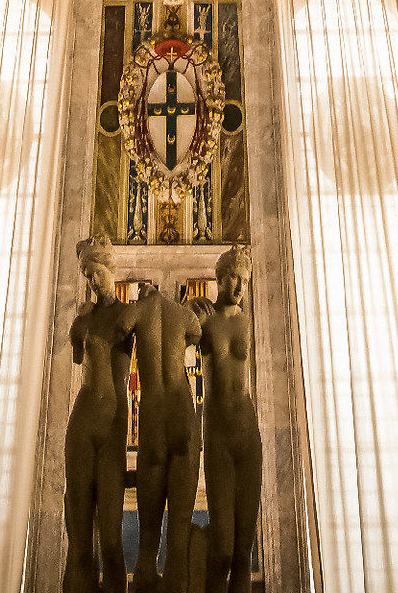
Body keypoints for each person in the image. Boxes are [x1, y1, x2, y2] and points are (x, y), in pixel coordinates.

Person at [64, 240, 133, 593]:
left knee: (110, 541)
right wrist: (80, 320)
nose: (92, 281)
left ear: (111, 270)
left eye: (97, 273)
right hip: (83, 421)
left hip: (112, 426)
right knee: (78, 539)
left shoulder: (129, 315)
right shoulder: (83, 321)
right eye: (87, 276)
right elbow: (77, 358)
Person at [193, 248, 260, 593]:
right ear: (220, 278)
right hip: (218, 434)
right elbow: (175, 343)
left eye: (246, 281)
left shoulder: (248, 319)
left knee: (243, 555)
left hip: (248, 432)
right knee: (222, 548)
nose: (240, 288)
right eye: (235, 278)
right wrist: (188, 312)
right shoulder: (204, 317)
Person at [131, 282, 201, 593]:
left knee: (148, 534)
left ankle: (146, 569)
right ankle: (178, 575)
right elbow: (197, 334)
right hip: (181, 408)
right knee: (181, 519)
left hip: (154, 412)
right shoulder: (183, 315)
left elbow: (118, 327)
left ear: (145, 291)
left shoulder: (136, 310)